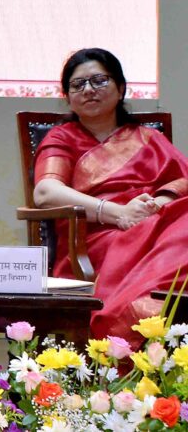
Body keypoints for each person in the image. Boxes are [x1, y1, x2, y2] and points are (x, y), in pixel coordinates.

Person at [32, 48, 188, 339]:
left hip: (153, 225)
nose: (88, 90)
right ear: (67, 96)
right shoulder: (62, 138)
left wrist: (155, 205)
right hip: (94, 238)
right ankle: (122, 328)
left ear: (121, 88)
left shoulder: (149, 138)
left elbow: (184, 180)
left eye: (99, 81)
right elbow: (45, 192)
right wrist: (118, 213)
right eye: (78, 84)